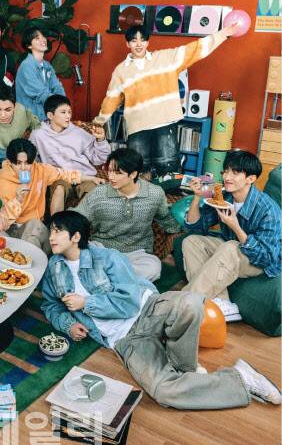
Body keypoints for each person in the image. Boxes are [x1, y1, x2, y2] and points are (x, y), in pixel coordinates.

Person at [41, 210, 281, 409]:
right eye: (51, 231)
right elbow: (50, 305)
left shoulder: (106, 257)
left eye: (57, 231)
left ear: (75, 236)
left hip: (148, 310)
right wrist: (68, 324)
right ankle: (240, 378)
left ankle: (184, 368)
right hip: (126, 340)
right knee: (164, 392)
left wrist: (87, 303)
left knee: (191, 302)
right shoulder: (54, 268)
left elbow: (130, 302)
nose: (51, 237)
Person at [96, 23, 240, 178]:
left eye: (143, 40)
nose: (138, 44)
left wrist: (223, 33)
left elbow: (195, 49)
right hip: (137, 127)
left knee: (168, 167)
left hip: (164, 123)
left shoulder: (166, 58)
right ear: (127, 44)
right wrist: (98, 122)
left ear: (148, 42)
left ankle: (170, 188)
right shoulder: (121, 70)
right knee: (137, 169)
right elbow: (111, 99)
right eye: (133, 40)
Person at [0, 138, 103, 251]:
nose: (23, 168)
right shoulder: (1, 183)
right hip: (8, 230)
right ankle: (6, 256)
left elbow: (65, 175)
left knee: (35, 224)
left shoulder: (40, 170)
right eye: (18, 163)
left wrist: (91, 178)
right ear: (10, 162)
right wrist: (18, 200)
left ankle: (26, 261)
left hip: (32, 231)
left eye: (27, 163)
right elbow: (1, 221)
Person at [182, 150, 281, 299]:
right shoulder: (224, 196)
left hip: (260, 260)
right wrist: (197, 197)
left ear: (250, 178)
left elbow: (265, 258)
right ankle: (220, 303)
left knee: (230, 247)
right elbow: (197, 226)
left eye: (235, 173)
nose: (227, 177)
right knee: (191, 242)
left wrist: (235, 226)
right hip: (230, 248)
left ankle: (185, 301)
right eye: (226, 171)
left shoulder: (268, 210)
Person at [73, 148, 180, 281]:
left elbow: (167, 220)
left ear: (133, 174)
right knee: (81, 255)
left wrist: (183, 228)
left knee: (154, 268)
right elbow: (75, 218)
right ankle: (118, 278)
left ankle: (103, 277)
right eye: (109, 171)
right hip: (102, 248)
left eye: (118, 173)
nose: (111, 177)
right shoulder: (98, 193)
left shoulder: (155, 193)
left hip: (137, 253)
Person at [29, 94, 110, 214]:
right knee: (59, 189)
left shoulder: (78, 133)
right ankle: (56, 223)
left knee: (93, 192)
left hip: (85, 176)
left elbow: (98, 159)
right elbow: (32, 161)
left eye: (69, 112)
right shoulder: (38, 135)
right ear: (50, 115)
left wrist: (100, 140)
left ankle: (79, 223)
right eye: (63, 112)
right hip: (59, 177)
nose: (68, 116)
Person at [15, 27, 65, 121]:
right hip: (30, 121)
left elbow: (57, 87)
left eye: (43, 37)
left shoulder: (47, 65)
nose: (43, 40)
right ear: (29, 45)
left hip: (46, 117)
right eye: (37, 38)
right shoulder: (27, 66)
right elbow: (41, 94)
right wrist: (61, 108)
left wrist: (64, 104)